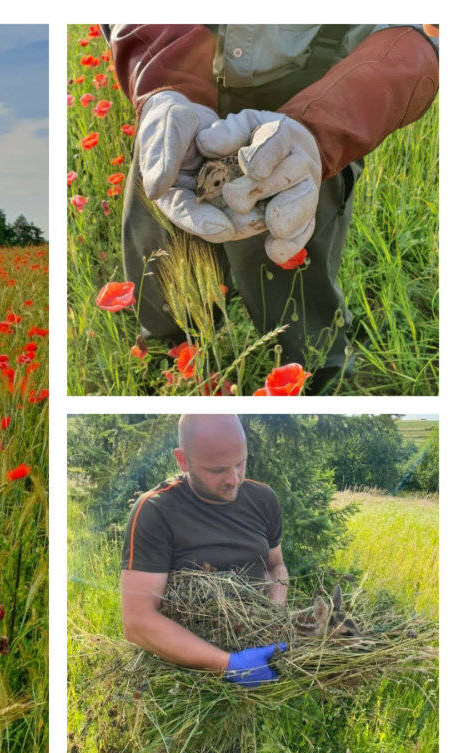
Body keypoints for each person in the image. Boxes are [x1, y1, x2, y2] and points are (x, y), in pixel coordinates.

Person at [106, 24, 438, 393]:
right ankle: (170, 366)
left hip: (317, 98)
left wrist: (318, 129)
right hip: (182, 103)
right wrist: (165, 87)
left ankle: (311, 378)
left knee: (291, 269)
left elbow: (423, 33)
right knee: (163, 253)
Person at [120, 414, 288, 688]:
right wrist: (229, 665)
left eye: (240, 464)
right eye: (217, 470)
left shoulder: (262, 498)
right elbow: (138, 621)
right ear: (183, 460)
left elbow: (275, 566)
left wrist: (272, 619)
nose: (234, 479)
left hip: (258, 660)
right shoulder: (155, 510)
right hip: (184, 681)